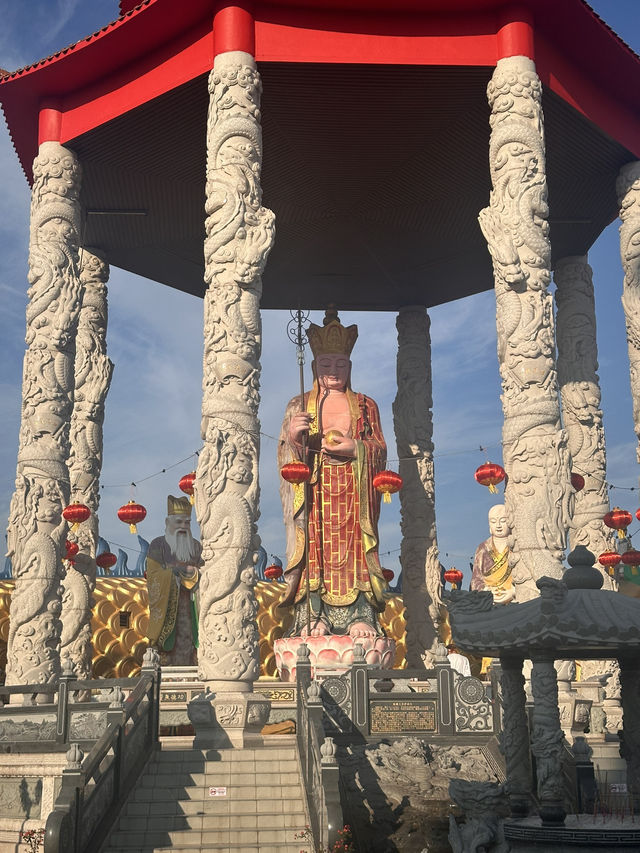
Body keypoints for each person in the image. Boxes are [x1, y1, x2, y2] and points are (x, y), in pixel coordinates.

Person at [278, 308, 388, 638]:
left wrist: (356, 449)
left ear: (350, 367)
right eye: (326, 365)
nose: (334, 372)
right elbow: (287, 459)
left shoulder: (366, 404)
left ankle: (360, 614)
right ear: (314, 366)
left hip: (355, 492)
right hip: (316, 490)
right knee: (314, 549)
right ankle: (315, 615)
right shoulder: (299, 404)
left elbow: (379, 448)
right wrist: (295, 440)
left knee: (356, 547)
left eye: (341, 365)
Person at [146, 495, 202, 665]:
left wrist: (197, 574)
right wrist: (176, 573)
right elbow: (154, 574)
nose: (183, 526)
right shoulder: (158, 545)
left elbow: (208, 571)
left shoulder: (196, 546)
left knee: (192, 643)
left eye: (187, 522)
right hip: (169, 606)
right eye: (179, 522)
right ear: (168, 522)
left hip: (192, 607)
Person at [471, 503, 514, 604]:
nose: (498, 526)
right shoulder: (483, 548)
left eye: (503, 521)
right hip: (489, 599)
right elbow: (475, 580)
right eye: (493, 522)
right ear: (489, 525)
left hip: (513, 596)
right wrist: (487, 591)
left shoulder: (517, 547)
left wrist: (513, 591)